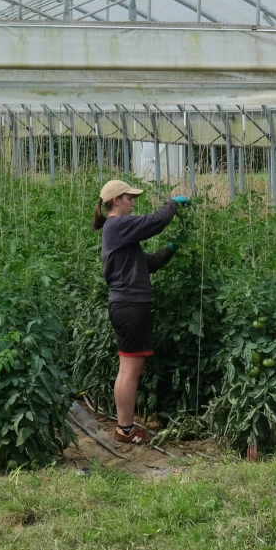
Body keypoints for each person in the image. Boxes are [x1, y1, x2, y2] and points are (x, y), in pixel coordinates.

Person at [91, 179, 189, 445]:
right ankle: (125, 430)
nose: (133, 202)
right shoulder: (117, 225)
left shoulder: (119, 232)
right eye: (129, 198)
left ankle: (125, 427)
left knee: (130, 367)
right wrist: (172, 205)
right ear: (115, 202)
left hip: (128, 305)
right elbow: (154, 222)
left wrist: (170, 250)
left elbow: (147, 264)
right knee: (129, 370)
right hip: (131, 306)